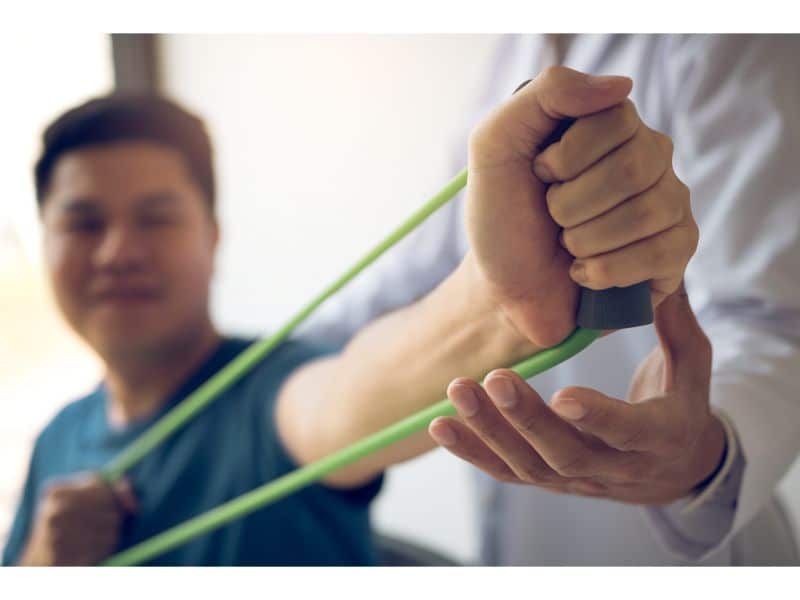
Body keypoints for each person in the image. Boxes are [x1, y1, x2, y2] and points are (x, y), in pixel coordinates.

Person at [3, 64, 698, 565]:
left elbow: (348, 397)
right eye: (85, 222)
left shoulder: (273, 390)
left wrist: (501, 305)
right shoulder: (56, 440)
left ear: (213, 235)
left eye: (156, 218)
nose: (119, 250)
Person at [301, 34, 800, 565]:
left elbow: (772, 314)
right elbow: (426, 265)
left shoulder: (728, 38)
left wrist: (704, 449)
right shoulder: (514, 47)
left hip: (688, 543)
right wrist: (265, 378)